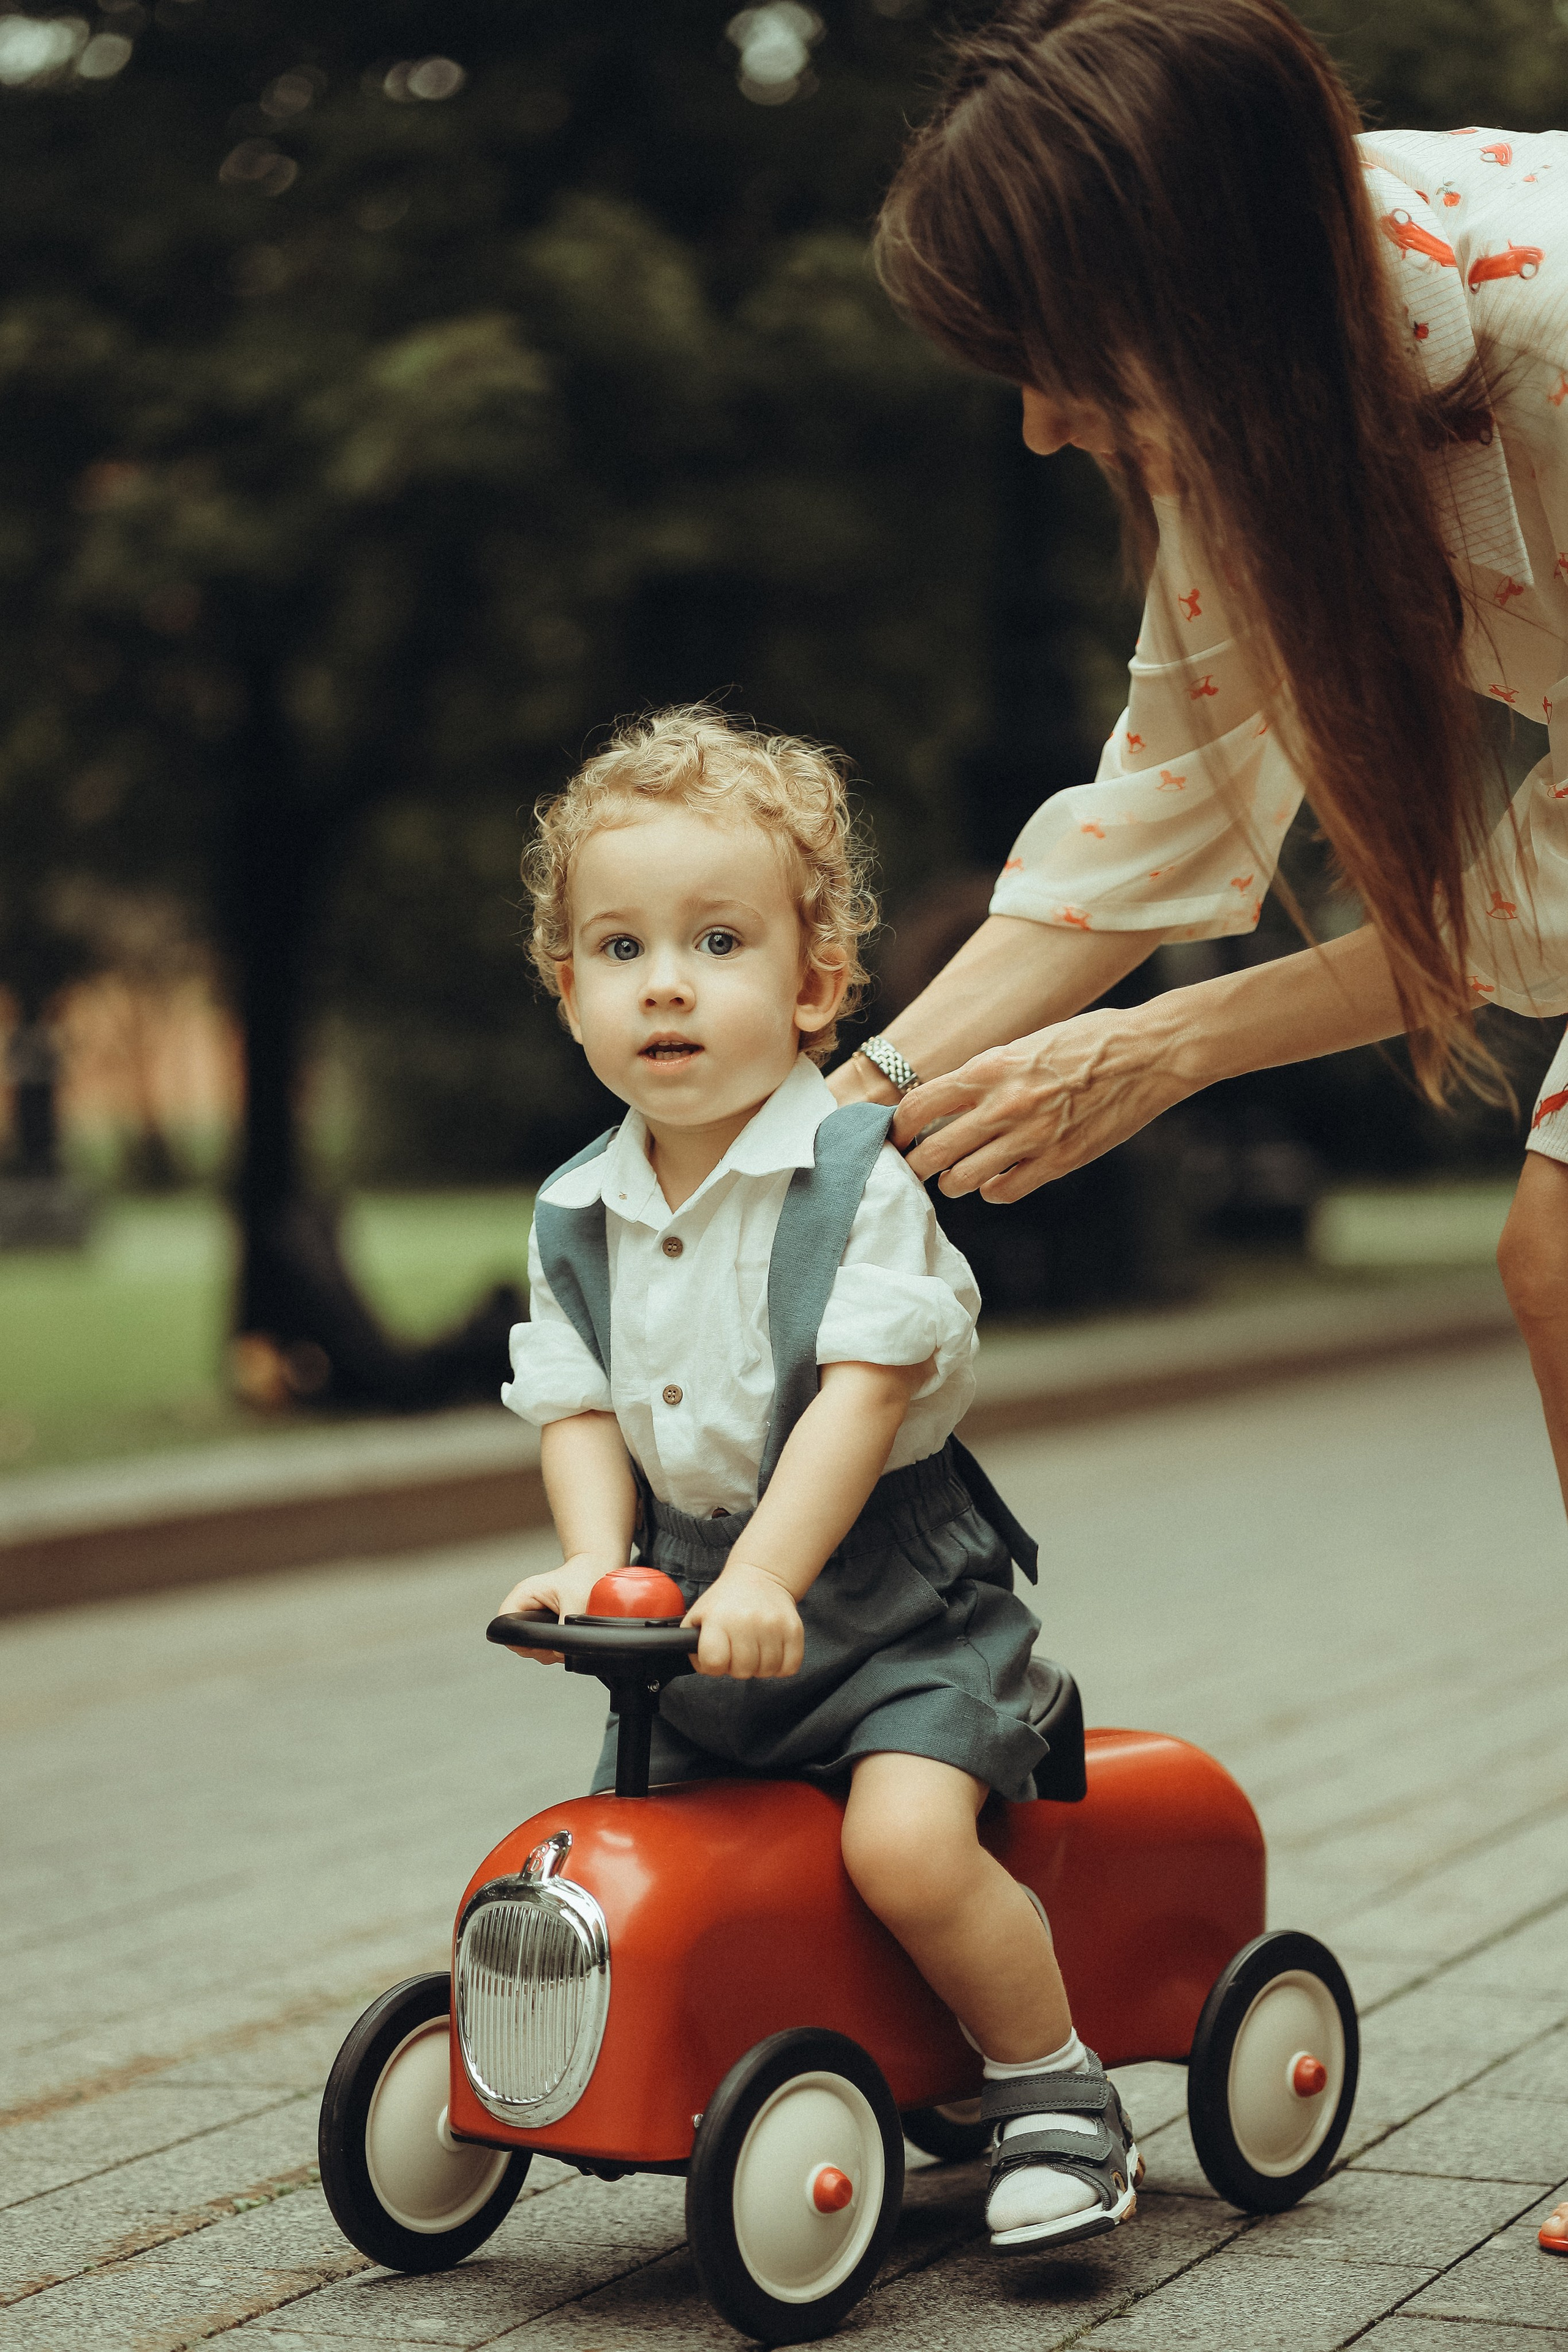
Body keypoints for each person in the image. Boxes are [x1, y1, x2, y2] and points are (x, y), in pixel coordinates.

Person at [824, 0, 1568, 2253]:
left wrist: (1171, 1051)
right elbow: (1154, 825)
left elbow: (1530, 907)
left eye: (1069, 362)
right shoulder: (1279, 415)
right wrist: (836, 1125)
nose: (1050, 431)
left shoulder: (1544, 326)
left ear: (1209, 295)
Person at [495, 704, 1140, 2254]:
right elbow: (573, 1402)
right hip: (696, 1614)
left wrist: (772, 1573)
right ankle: (690, 2058)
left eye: (717, 941)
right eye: (619, 946)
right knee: (621, 1848)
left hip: (895, 1606)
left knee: (900, 1845)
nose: (665, 981)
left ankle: (1049, 2087)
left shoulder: (855, 1182)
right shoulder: (576, 1207)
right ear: (564, 988)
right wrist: (595, 1562)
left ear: (814, 987)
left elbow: (859, 1403)